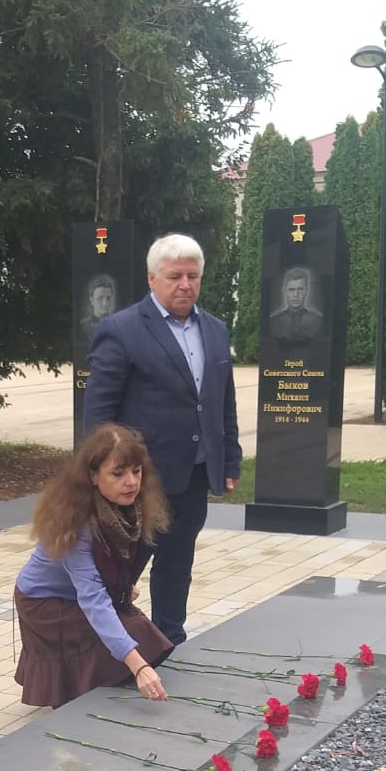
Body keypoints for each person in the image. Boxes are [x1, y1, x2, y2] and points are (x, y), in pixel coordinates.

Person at [83, 232, 241, 647]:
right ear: (153, 279)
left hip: (194, 472)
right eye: (175, 276)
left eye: (192, 276)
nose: (185, 284)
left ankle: (168, 641)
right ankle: (105, 646)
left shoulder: (216, 330)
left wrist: (230, 460)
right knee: (122, 569)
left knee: (177, 563)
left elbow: (222, 400)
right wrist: (99, 474)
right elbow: (98, 413)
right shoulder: (121, 330)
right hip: (139, 480)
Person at [15, 424, 171, 707]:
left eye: (136, 471)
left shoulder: (129, 507)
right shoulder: (75, 524)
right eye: (118, 473)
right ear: (93, 476)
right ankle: (73, 694)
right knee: (129, 644)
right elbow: (94, 601)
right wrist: (139, 667)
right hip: (46, 603)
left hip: (76, 595)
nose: (132, 482)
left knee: (142, 636)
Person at [269, 267, 322, 341]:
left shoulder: (318, 320)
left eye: (300, 289)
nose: (296, 294)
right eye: (291, 289)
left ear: (307, 290)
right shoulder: (273, 321)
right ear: (285, 291)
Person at [78, 273, 117, 341]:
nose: (105, 303)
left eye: (108, 298)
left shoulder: (117, 325)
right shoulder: (83, 326)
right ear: (92, 300)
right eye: (100, 298)